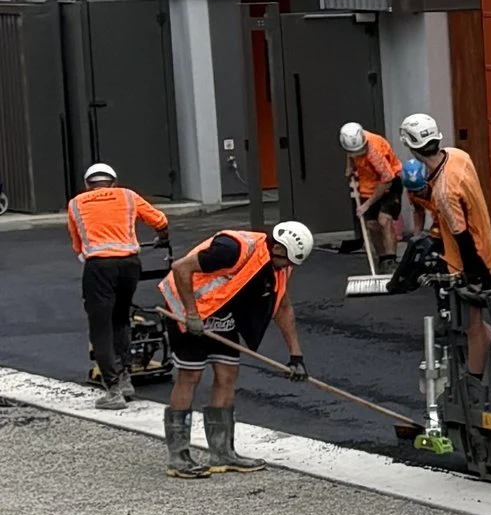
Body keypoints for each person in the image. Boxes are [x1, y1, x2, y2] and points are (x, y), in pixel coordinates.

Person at [159, 219, 313, 476]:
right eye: (286, 261)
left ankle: (222, 453)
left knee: (228, 374)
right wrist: (192, 314)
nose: (287, 267)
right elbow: (180, 268)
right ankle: (178, 457)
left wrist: (296, 356)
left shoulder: (280, 267)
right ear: (278, 248)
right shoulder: (233, 248)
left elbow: (283, 308)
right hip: (187, 309)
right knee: (191, 375)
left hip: (221, 312)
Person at [399, 111, 491, 378]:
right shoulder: (459, 156)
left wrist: (475, 274)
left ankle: (473, 382)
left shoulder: (443, 191)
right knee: (474, 320)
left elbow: (462, 236)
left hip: (471, 257)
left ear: (413, 148)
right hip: (485, 244)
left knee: (472, 325)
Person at [65, 161, 169, 404]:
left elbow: (77, 244)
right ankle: (125, 378)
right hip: (129, 265)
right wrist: (161, 237)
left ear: (87, 185)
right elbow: (160, 221)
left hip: (99, 267)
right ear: (113, 182)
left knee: (100, 327)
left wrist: (89, 254)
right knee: (121, 318)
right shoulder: (127, 196)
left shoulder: (76, 204)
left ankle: (112, 390)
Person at [341, 121, 405, 260]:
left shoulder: (374, 151)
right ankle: (382, 259)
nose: (358, 154)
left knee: (384, 220)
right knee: (371, 225)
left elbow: (386, 180)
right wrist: (350, 167)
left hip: (389, 183)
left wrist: (367, 205)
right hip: (367, 184)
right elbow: (350, 153)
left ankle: (390, 259)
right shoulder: (351, 141)